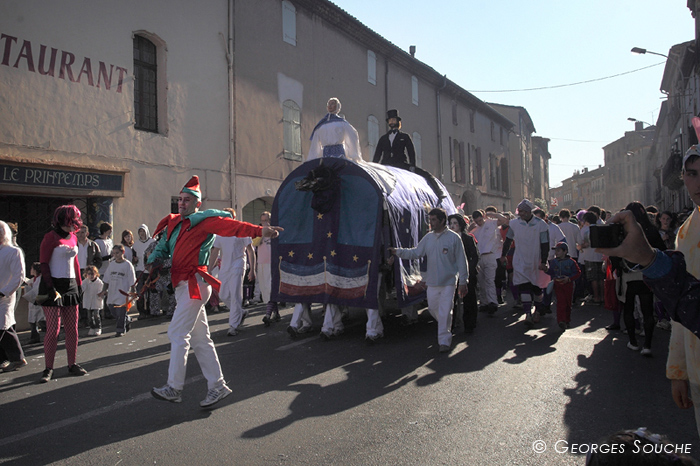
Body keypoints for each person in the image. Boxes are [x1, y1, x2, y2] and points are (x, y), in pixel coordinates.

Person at [147, 176, 281, 408]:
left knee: (177, 333)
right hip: (182, 287)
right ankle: (217, 386)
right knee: (200, 340)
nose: (182, 203)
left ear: (197, 203)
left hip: (195, 285)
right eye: (180, 199)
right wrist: (153, 261)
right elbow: (162, 247)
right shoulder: (174, 224)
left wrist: (261, 230)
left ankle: (174, 387)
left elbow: (234, 227)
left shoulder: (203, 222)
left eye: (187, 200)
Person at [389, 208, 468, 353]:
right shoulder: (428, 238)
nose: (430, 223)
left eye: (433, 220)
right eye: (429, 220)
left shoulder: (454, 238)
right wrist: (398, 251)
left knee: (445, 311)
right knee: (432, 308)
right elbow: (416, 252)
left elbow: (462, 261)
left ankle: (444, 341)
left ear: (442, 220)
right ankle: (445, 326)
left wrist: (463, 281)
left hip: (449, 282)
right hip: (432, 282)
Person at [38, 205, 88, 383]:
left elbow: (75, 262)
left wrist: (80, 285)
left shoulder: (73, 237)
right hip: (53, 285)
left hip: (71, 285)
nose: (72, 227)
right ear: (61, 221)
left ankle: (72, 364)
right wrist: (50, 288)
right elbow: (43, 263)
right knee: (53, 330)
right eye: (69, 223)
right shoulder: (50, 237)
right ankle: (48, 368)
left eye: (74, 223)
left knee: (73, 329)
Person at [612, 202, 666, 357]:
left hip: (627, 274)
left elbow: (614, 251)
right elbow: (661, 251)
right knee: (647, 310)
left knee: (628, 308)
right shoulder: (651, 230)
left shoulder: (622, 231)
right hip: (646, 274)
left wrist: (617, 267)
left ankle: (633, 342)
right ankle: (647, 344)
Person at [500, 199, 550, 328]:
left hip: (536, 260)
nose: (520, 213)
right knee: (524, 287)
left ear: (529, 211)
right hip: (520, 260)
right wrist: (503, 255)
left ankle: (537, 311)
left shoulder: (541, 224)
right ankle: (528, 314)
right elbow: (508, 240)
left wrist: (544, 261)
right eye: (519, 211)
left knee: (537, 288)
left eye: (522, 211)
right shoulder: (514, 224)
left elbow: (545, 244)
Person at [208, 208, 255, 337]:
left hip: (238, 264)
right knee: (223, 294)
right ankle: (240, 312)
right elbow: (215, 251)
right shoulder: (220, 232)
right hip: (225, 266)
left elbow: (250, 250)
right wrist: (209, 268)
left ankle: (233, 326)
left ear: (234, 217)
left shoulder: (242, 229)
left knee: (235, 294)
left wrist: (252, 269)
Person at [0, 220, 27, 372]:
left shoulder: (13, 251)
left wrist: (4, 291)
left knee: (2, 326)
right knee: (6, 327)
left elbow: (19, 276)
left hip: (5, 297)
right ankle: (16, 358)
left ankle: (16, 358)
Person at [469, 209, 506, 314]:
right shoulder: (475, 228)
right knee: (481, 282)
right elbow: (466, 233)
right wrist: (471, 226)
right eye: (477, 221)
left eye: (480, 220)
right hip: (479, 257)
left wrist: (492, 214)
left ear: (483, 217)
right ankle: (484, 302)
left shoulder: (491, 223)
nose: (479, 223)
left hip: (490, 255)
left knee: (490, 280)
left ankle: (492, 302)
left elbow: (503, 220)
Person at [448, 214, 479, 333]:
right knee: (451, 300)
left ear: (461, 224)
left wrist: (468, 271)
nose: (453, 226)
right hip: (451, 275)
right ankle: (451, 324)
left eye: (455, 223)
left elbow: (475, 256)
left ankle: (470, 324)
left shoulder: (468, 238)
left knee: (469, 300)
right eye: (451, 223)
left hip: (467, 274)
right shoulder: (447, 239)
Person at [307, 97, 362, 163]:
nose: (330, 106)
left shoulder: (342, 123)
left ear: (337, 106)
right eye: (329, 104)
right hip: (325, 154)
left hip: (339, 154)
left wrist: (353, 155)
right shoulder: (322, 124)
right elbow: (315, 143)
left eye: (332, 104)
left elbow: (352, 136)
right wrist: (313, 158)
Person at [100, 244, 136, 337]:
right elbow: (106, 279)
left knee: (121, 312)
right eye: (114, 253)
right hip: (112, 291)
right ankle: (127, 319)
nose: (115, 255)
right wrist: (104, 290)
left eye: (117, 253)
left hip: (123, 292)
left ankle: (120, 330)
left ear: (122, 252)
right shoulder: (112, 264)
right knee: (113, 310)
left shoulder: (128, 265)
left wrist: (133, 291)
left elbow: (132, 279)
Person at [546, 242, 581, 330]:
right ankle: (561, 320)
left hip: (568, 284)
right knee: (560, 302)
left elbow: (578, 272)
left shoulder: (571, 262)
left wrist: (569, 278)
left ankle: (567, 320)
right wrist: (546, 270)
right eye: (556, 251)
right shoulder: (554, 262)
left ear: (565, 251)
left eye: (559, 250)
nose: (556, 253)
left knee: (568, 303)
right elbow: (551, 272)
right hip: (558, 284)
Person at [257, 211, 281, 326]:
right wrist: (261, 235)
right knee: (265, 290)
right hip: (261, 262)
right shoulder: (258, 231)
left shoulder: (275, 232)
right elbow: (254, 244)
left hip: (272, 263)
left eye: (266, 220)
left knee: (271, 289)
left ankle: (267, 315)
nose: (264, 223)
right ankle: (276, 313)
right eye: (262, 221)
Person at [579, 211, 605, 304]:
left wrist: (580, 246)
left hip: (590, 256)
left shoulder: (585, 230)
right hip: (601, 255)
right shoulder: (601, 228)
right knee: (601, 278)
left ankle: (596, 297)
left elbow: (584, 244)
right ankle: (602, 296)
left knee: (593, 278)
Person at [132, 224, 156, 319]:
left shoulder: (152, 242)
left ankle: (150, 310)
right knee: (140, 292)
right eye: (140, 232)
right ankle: (141, 311)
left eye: (143, 231)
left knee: (151, 291)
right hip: (140, 270)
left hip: (150, 270)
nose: (142, 233)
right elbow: (134, 257)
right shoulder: (136, 244)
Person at [22, 262, 45, 344]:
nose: (30, 270)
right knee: (32, 321)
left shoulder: (40, 279)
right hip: (33, 302)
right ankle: (35, 337)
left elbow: (37, 290)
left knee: (41, 321)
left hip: (37, 302)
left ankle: (50, 336)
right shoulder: (34, 279)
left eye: (32, 268)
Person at [82, 265, 104, 336]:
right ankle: (92, 327)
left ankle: (98, 327)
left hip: (96, 301)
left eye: (92, 274)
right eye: (89, 274)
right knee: (89, 316)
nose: (91, 276)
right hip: (88, 301)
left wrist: (100, 295)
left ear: (96, 274)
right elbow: (82, 289)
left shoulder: (99, 282)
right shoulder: (85, 282)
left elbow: (101, 291)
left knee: (96, 315)